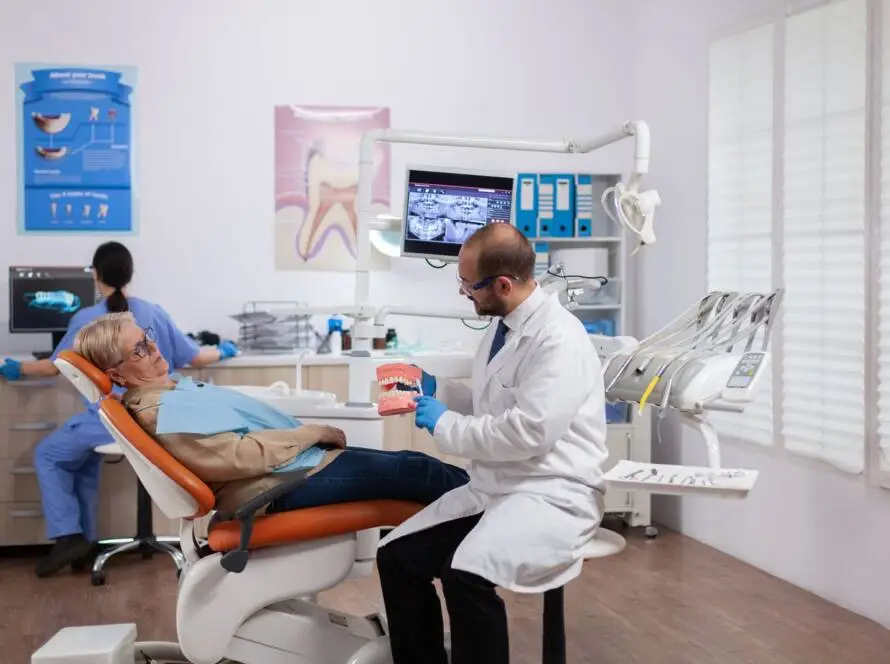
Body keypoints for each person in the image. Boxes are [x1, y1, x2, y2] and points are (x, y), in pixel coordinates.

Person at [375, 223, 609, 664]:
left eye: (469, 285)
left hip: (553, 492)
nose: (463, 292)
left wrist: (444, 424)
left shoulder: (558, 338)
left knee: (464, 575)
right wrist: (438, 391)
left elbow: (528, 431)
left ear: (502, 285)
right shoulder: (504, 327)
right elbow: (493, 403)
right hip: (498, 488)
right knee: (396, 556)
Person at [72, 312, 470, 519]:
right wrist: (312, 432)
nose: (154, 350)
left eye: (147, 339)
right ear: (116, 375)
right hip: (275, 488)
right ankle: (490, 517)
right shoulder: (162, 412)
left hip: (293, 469)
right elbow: (240, 456)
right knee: (418, 472)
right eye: (138, 351)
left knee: (413, 463)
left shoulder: (170, 391)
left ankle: (479, 513)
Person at [0, 242, 238, 578]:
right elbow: (196, 357)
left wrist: (17, 369)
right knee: (81, 461)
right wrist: (225, 350)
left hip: (113, 421)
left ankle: (68, 536)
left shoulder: (87, 320)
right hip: (157, 416)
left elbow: (55, 366)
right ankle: (85, 543)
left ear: (95, 275)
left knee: (49, 455)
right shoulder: (153, 312)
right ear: (129, 274)